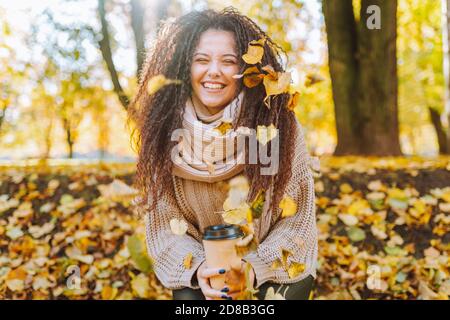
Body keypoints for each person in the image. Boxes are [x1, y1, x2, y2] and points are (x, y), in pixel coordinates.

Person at [128, 7, 318, 300]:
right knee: (189, 301)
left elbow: (298, 223)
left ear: (249, 72)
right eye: (201, 60)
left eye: (228, 61)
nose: (213, 71)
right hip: (204, 274)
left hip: (276, 270)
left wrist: (252, 270)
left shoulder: (278, 126)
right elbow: (165, 229)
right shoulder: (162, 133)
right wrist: (202, 269)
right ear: (183, 67)